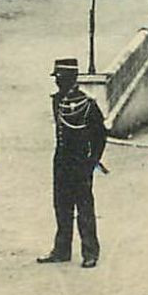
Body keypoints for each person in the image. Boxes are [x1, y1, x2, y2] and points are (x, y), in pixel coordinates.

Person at [38, 58, 106, 269]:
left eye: (60, 77)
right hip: (61, 161)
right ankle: (62, 250)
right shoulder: (57, 100)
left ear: (70, 78)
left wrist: (93, 160)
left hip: (80, 162)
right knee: (61, 206)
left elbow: (100, 135)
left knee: (84, 207)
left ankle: (90, 252)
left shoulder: (87, 103)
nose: (57, 81)